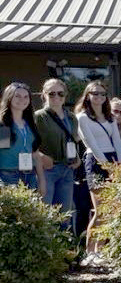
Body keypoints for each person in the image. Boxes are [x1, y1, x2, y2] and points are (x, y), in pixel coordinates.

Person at [76, 81, 121, 265]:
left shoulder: (110, 117)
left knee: (110, 211)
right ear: (87, 95)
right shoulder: (83, 117)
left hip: (113, 160)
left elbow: (118, 142)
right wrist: (106, 165)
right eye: (94, 93)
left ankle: (101, 250)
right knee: (99, 210)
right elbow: (91, 143)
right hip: (95, 161)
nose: (98, 97)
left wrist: (120, 165)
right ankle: (89, 251)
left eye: (102, 94)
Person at [35, 79, 79, 218]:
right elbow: (28, 144)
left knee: (64, 216)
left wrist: (77, 157)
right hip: (47, 170)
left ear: (65, 96)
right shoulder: (38, 117)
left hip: (67, 169)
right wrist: (41, 156)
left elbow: (73, 140)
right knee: (45, 214)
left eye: (60, 94)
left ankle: (64, 240)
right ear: (44, 95)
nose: (56, 97)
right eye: (51, 94)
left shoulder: (71, 117)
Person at [0, 82, 47, 196]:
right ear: (9, 98)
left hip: (29, 174)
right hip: (8, 175)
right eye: (17, 96)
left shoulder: (30, 123)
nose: (22, 99)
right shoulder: (3, 124)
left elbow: (35, 154)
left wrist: (42, 181)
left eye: (26, 97)